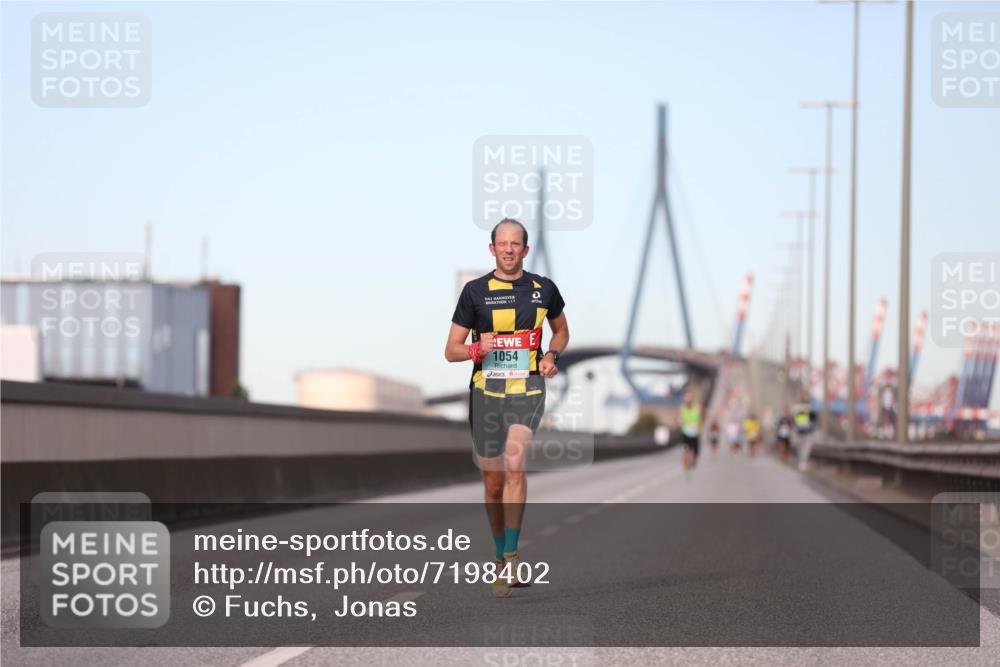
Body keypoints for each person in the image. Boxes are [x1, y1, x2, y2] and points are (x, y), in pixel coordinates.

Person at [445, 218, 569, 597]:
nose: (510, 249)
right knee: (494, 484)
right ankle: (499, 557)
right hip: (486, 392)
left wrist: (551, 354)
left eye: (517, 243)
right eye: (503, 243)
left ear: (525, 250)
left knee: (515, 462)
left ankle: (513, 560)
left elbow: (562, 330)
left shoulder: (543, 289)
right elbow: (450, 350)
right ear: (493, 249)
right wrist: (474, 350)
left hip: (527, 389)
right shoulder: (474, 292)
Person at [679, 391, 702, 477]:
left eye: (689, 397)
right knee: (685, 452)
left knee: (696, 454)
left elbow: (700, 419)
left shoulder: (697, 407)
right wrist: (682, 424)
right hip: (686, 433)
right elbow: (680, 420)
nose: (688, 399)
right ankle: (686, 471)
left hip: (695, 433)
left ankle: (693, 463)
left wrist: (698, 426)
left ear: (692, 399)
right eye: (686, 397)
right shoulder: (682, 408)